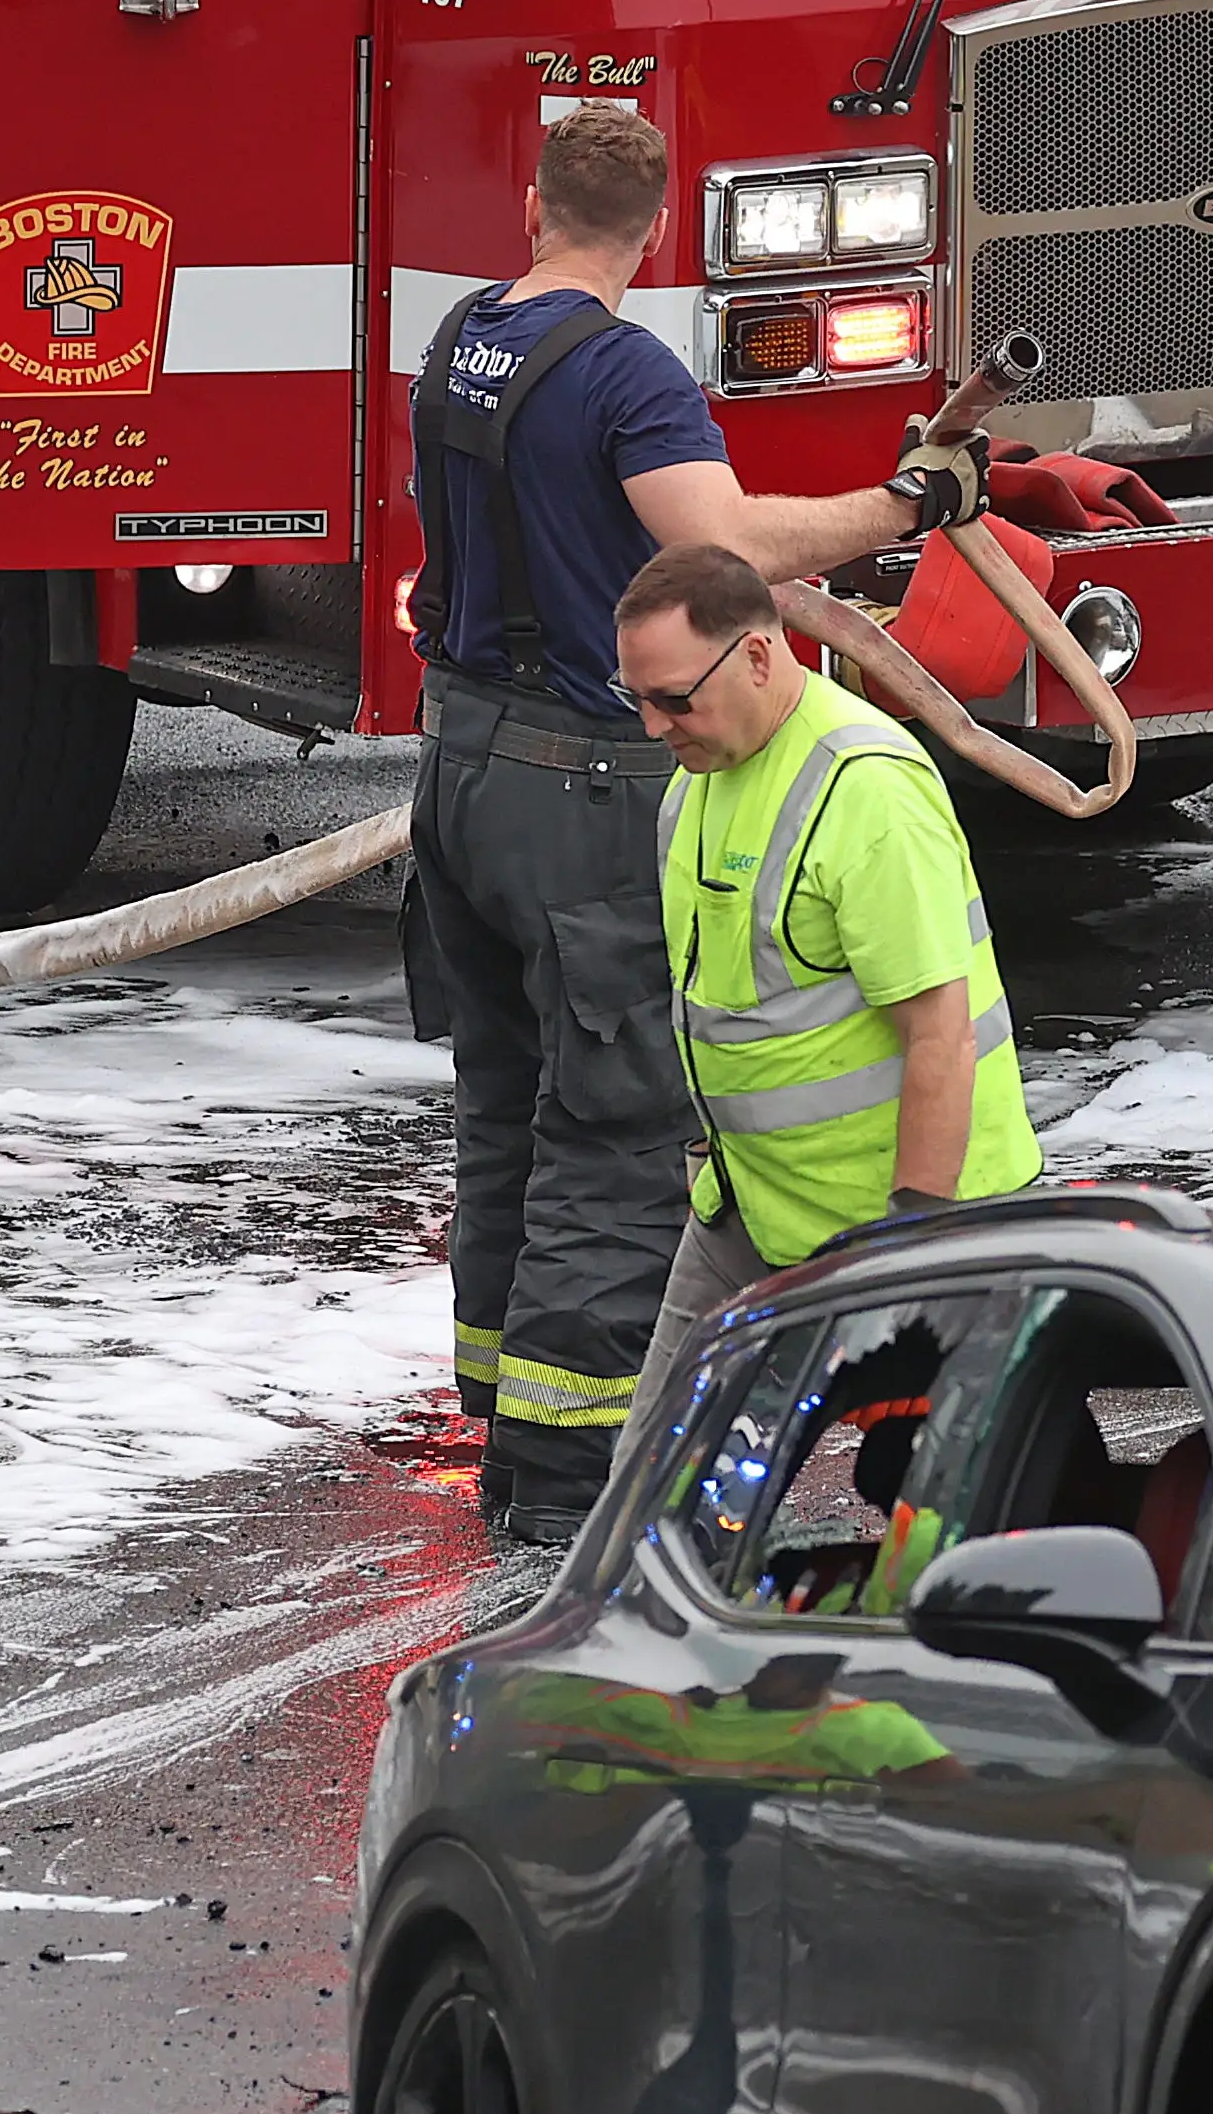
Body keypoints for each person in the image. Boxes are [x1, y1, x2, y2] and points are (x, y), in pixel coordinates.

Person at [401, 104, 975, 1546]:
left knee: (507, 1094)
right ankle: (563, 1473)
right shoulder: (624, 374)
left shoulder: (465, 334)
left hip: (460, 761)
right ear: (655, 230)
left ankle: (500, 1409)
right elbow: (721, 548)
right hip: (580, 781)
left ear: (533, 203)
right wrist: (901, 501)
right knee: (613, 1122)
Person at [619, 543, 1040, 1421]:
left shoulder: (865, 792)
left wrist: (908, 1241)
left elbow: (941, 1038)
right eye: (638, 699)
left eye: (672, 698)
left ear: (760, 656)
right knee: (656, 1484)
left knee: (949, 1493)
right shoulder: (700, 777)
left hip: (910, 1226)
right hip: (753, 1209)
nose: (654, 726)